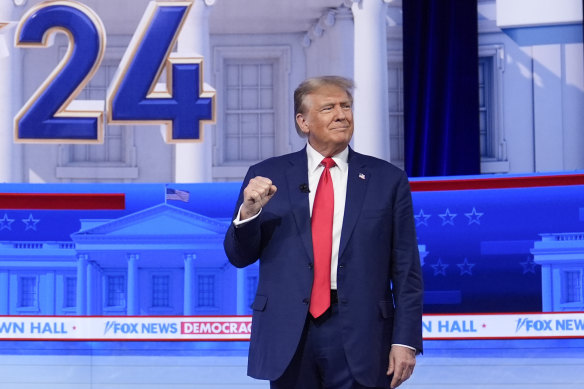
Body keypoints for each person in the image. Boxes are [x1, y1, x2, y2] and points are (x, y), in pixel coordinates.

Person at [224, 76, 423, 389]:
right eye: (329, 108)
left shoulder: (387, 179)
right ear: (303, 121)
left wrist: (405, 341)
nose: (342, 114)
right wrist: (248, 213)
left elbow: (407, 269)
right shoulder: (267, 175)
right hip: (289, 332)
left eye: (346, 106)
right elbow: (239, 256)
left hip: (363, 333)